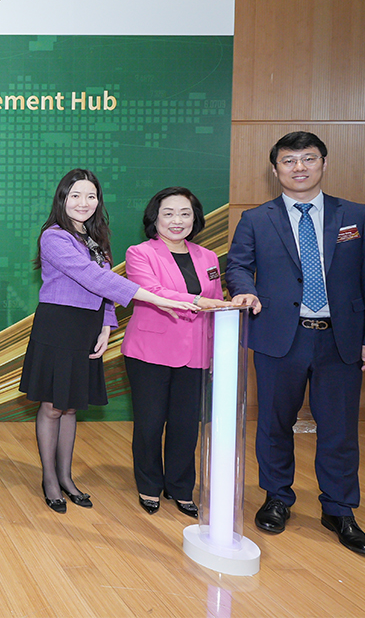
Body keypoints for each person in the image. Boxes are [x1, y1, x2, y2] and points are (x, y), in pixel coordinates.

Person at [227, 131, 365, 557]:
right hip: (279, 337)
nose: (299, 167)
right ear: (275, 168)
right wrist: (245, 291)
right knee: (275, 424)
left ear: (323, 163)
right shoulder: (256, 219)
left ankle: (339, 509)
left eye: (308, 159)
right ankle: (277, 497)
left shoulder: (356, 215)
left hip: (341, 340)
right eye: (289, 161)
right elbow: (239, 267)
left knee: (338, 429)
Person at [18, 169, 199, 514]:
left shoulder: (94, 236)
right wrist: (151, 296)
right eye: (75, 196)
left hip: (86, 326)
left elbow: (102, 289)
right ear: (62, 199)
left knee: (71, 405)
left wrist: (106, 324)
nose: (83, 203)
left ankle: (67, 477)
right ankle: (50, 480)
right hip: (59, 325)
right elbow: (93, 277)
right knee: (53, 405)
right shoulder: (54, 237)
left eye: (90, 196)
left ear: (98, 201)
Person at [121, 187, 232, 517]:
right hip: (149, 350)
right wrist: (199, 301)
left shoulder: (208, 257)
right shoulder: (140, 253)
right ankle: (149, 485)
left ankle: (181, 488)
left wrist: (215, 353)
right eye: (168, 213)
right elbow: (152, 292)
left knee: (186, 425)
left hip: (196, 351)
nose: (177, 220)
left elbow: (217, 301)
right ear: (154, 218)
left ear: (195, 219)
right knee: (150, 423)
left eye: (185, 213)